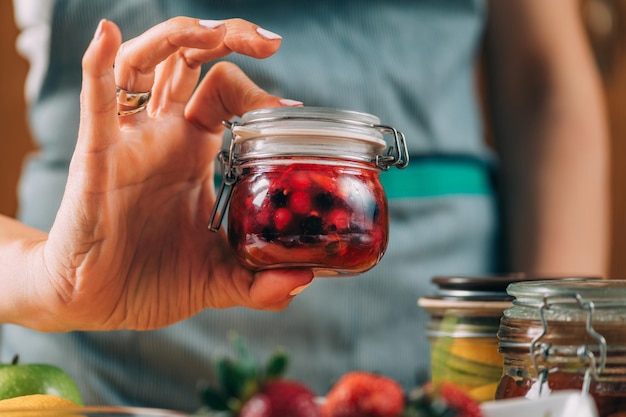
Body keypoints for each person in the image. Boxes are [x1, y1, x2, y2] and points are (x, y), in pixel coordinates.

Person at [2, 0, 608, 411]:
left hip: (446, 343)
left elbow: (544, 84)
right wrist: (47, 276)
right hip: (94, 362)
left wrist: (545, 357)